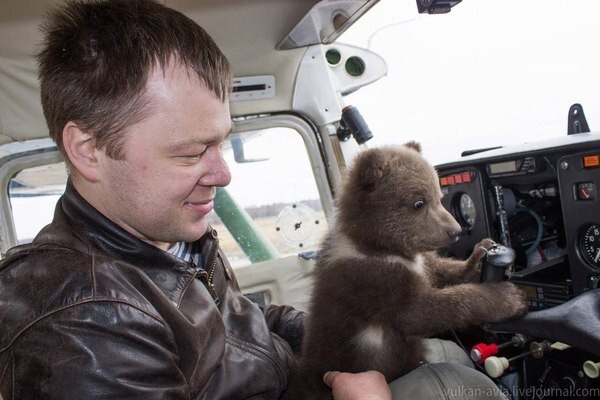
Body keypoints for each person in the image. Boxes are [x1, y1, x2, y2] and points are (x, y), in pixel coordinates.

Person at [0, 1, 508, 399]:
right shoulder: (82, 325)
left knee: (447, 355)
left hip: (301, 380)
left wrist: (343, 328)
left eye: (219, 141)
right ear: (89, 151)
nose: (222, 173)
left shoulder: (166, 240)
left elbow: (246, 323)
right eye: (190, 152)